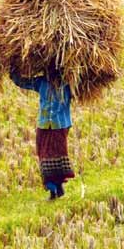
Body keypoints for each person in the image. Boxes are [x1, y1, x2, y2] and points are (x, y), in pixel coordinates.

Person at [11, 67, 75, 200]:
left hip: (60, 125)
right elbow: (23, 82)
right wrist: (12, 71)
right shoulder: (42, 83)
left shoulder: (69, 84)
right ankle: (53, 189)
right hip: (44, 125)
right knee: (44, 157)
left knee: (58, 156)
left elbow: (85, 87)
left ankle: (57, 188)